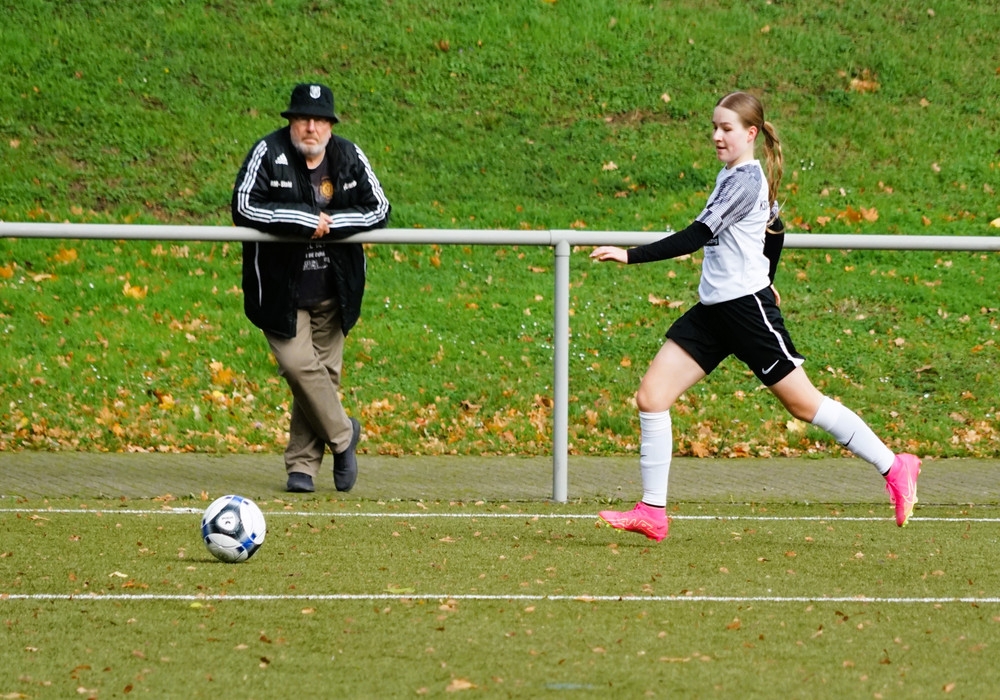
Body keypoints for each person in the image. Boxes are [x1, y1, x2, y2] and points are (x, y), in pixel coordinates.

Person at [589, 91, 921, 541]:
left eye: (726, 128)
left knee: (804, 405)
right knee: (652, 396)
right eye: (714, 127)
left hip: (746, 311)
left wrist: (630, 256)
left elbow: (696, 236)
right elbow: (775, 229)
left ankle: (895, 466)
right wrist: (768, 272)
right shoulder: (731, 175)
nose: (716, 135)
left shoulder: (745, 181)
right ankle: (652, 511)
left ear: (750, 133)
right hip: (713, 312)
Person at [232, 83, 391, 493]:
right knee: (299, 366)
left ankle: (302, 468)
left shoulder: (349, 155)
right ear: (291, 122)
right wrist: (303, 219)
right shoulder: (267, 152)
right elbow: (243, 206)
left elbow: (380, 208)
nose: (311, 127)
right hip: (280, 292)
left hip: (334, 290)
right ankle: (344, 435)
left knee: (323, 377)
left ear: (330, 126)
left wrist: (333, 225)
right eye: (303, 118)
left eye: (319, 120)